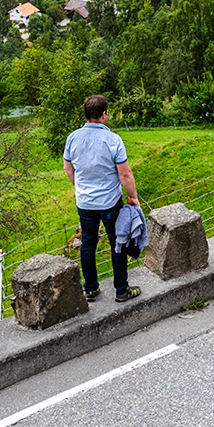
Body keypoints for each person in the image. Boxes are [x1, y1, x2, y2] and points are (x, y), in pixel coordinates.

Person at [63, 94, 142, 303]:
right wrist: (133, 197)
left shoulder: (72, 138)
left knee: (88, 243)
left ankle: (90, 289)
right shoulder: (112, 139)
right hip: (109, 201)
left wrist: (80, 187)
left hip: (85, 202)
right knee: (118, 242)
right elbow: (125, 174)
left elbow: (68, 168)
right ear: (104, 115)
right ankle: (121, 290)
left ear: (86, 114)